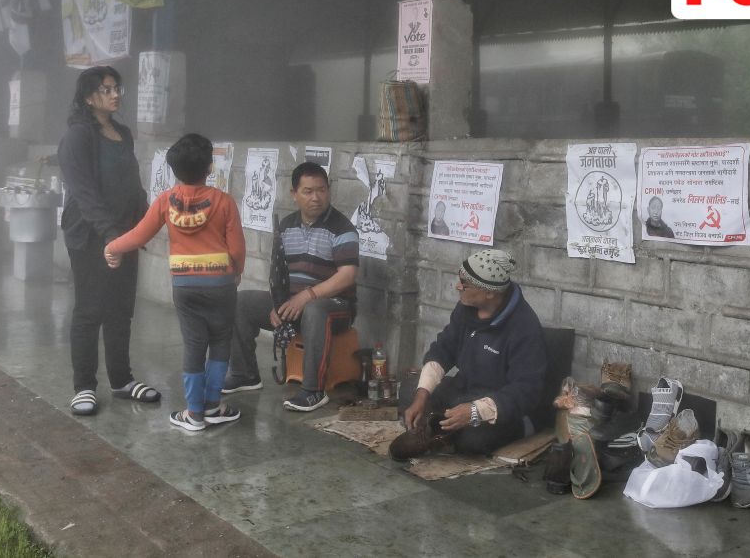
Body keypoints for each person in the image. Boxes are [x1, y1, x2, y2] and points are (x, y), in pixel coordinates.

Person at [106, 133, 247, 432]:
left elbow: (140, 234)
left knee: (194, 345)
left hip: (185, 287)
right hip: (221, 284)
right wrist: (236, 271)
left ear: (174, 169)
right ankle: (213, 406)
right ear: (210, 167)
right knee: (221, 343)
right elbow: (236, 248)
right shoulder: (224, 203)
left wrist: (113, 247)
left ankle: (194, 413)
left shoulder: (165, 202)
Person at [57, 66, 158, 416]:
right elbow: (83, 192)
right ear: (88, 97)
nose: (115, 95)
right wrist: (110, 236)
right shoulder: (78, 136)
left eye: (117, 88)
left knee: (120, 309)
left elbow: (133, 182)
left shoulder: (123, 133)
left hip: (124, 233)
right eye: (106, 89)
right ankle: (83, 386)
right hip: (89, 235)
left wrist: (148, 220)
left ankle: (122, 380)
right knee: (90, 310)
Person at [223, 162, 359, 412]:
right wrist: (278, 304)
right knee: (241, 302)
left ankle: (313, 391)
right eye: (308, 191)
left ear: (328, 191)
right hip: (295, 303)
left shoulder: (342, 228)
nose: (316, 197)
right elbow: (278, 274)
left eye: (321, 190)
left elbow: (347, 276)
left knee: (315, 310)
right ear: (294, 194)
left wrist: (307, 296)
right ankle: (245, 375)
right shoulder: (285, 227)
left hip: (336, 308)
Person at [393, 250, 547, 458]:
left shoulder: (524, 327)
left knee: (472, 441)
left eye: (465, 284)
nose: (458, 287)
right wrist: (422, 396)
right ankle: (439, 429)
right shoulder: (466, 308)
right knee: (411, 388)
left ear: (489, 292)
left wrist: (475, 411)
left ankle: (444, 432)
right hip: (464, 390)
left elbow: (526, 391)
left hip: (502, 405)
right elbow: (443, 349)